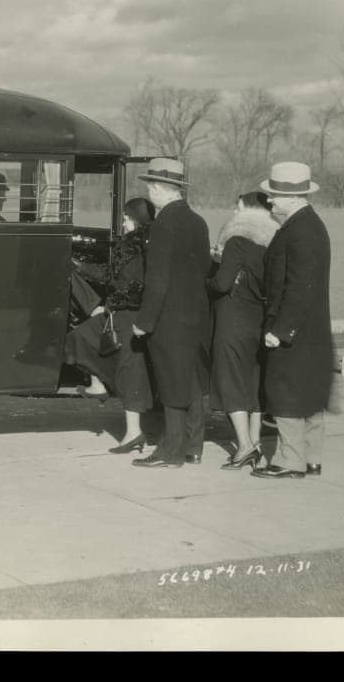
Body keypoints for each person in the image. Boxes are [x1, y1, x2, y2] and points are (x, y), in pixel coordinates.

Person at [252, 161, 336, 479]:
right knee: (309, 392)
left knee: (285, 391)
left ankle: (290, 461)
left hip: (293, 330)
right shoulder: (308, 225)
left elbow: (299, 287)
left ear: (291, 197)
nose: (270, 200)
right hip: (309, 329)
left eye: (273, 195)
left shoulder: (299, 231)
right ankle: (311, 458)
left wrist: (280, 330)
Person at [129, 158, 213, 469]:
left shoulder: (164, 223)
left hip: (169, 318)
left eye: (150, 186)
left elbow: (157, 279)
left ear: (158, 188)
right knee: (191, 381)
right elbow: (203, 269)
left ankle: (170, 452)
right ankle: (194, 447)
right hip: (196, 315)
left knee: (171, 381)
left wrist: (144, 322)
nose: (149, 191)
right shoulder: (198, 222)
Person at [64, 196, 157, 453]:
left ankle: (134, 433)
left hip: (131, 316)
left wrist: (113, 301)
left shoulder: (141, 247)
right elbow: (112, 276)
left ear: (136, 219)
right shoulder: (132, 246)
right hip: (119, 313)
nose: (123, 222)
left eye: (126, 217)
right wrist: (79, 267)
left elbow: (135, 285)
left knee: (130, 372)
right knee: (80, 337)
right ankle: (98, 385)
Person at [208, 191, 280, 469]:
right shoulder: (272, 241)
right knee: (253, 381)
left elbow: (223, 283)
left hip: (232, 318)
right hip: (259, 319)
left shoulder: (237, 239)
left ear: (245, 208)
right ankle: (256, 441)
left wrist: (207, 280)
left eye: (236, 206)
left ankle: (244, 446)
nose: (234, 211)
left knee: (228, 378)